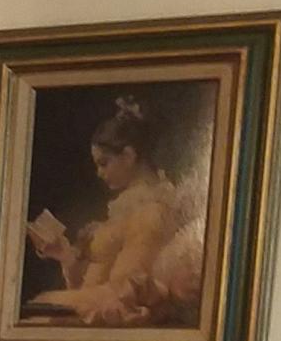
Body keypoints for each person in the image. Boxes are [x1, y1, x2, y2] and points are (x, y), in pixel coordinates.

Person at [26, 96, 209, 328]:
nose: (99, 173)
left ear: (129, 156)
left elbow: (127, 294)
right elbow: (91, 285)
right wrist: (65, 256)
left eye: (104, 163)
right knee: (37, 308)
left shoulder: (152, 212)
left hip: (115, 314)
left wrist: (61, 301)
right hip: (99, 309)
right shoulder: (126, 209)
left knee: (40, 306)